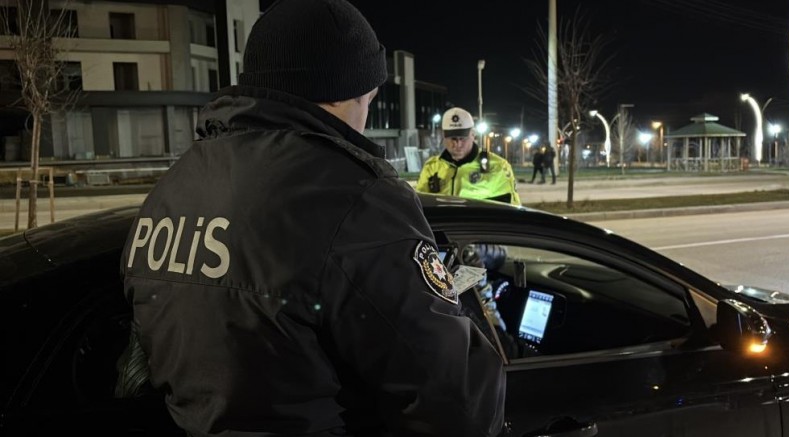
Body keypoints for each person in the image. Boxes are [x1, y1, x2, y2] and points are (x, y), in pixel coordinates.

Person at [120, 1, 505, 436]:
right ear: (345, 91)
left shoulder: (175, 184)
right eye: (369, 100)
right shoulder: (353, 196)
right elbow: (455, 399)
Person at [416, 107, 521, 205]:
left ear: (473, 134)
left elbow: (510, 210)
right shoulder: (432, 167)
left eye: (462, 138)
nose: (457, 144)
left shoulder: (497, 166)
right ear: (443, 136)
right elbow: (419, 206)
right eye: (453, 138)